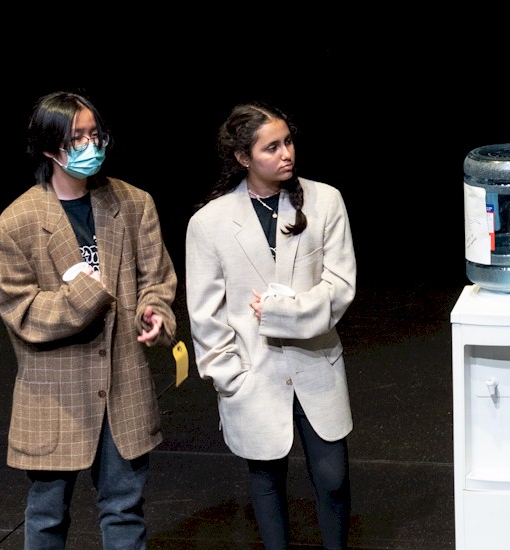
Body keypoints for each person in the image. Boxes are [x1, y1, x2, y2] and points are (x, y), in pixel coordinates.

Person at [0, 91, 178, 549]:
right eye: (77, 138)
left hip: (122, 388)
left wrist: (156, 311)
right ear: (50, 147)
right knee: (48, 514)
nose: (91, 145)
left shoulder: (133, 204)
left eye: (95, 134)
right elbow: (25, 314)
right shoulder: (14, 225)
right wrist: (87, 292)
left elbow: (157, 278)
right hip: (55, 397)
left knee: (124, 510)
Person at [185, 102, 358, 550]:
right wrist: (230, 378)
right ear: (244, 157)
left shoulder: (325, 201)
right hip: (254, 373)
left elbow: (340, 286)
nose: (287, 154)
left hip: (317, 363)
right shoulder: (209, 223)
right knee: (265, 481)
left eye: (288, 141)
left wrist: (284, 312)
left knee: (333, 478)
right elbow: (206, 313)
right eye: (272, 147)